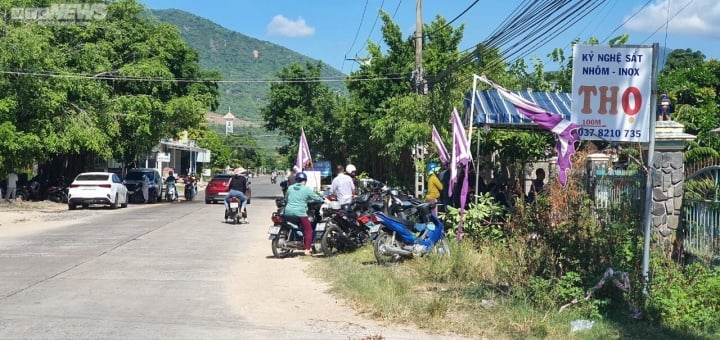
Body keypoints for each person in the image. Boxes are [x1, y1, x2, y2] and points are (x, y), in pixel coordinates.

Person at [284, 172, 323, 256]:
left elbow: (286, 199)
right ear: (305, 181)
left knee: (296, 225)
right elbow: (317, 198)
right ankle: (307, 249)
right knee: (308, 230)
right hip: (300, 213)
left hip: (287, 212)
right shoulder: (306, 189)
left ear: (296, 180)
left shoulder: (290, 188)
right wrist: (322, 200)